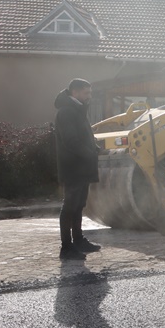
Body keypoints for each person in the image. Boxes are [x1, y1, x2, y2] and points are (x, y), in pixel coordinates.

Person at [54, 78, 102, 260]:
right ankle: (66, 247)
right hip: (73, 167)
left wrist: (93, 147)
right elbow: (71, 141)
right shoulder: (67, 112)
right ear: (75, 92)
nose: (89, 96)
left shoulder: (77, 110)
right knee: (70, 206)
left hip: (81, 167)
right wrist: (90, 153)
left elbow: (81, 137)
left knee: (79, 205)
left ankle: (78, 240)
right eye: (86, 93)